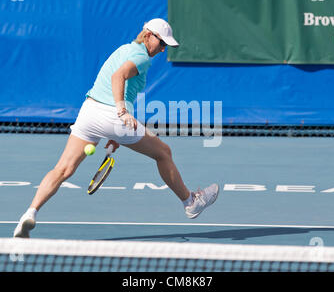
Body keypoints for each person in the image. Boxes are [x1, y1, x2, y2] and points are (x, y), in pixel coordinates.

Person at [13, 18, 219, 238]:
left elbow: (118, 84)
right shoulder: (141, 57)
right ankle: (190, 203)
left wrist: (116, 133)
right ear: (148, 35)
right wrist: (121, 113)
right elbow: (117, 76)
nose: (162, 49)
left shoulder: (124, 49)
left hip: (89, 112)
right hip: (113, 115)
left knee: (63, 169)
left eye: (165, 46)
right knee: (163, 153)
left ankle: (30, 212)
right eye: (161, 43)